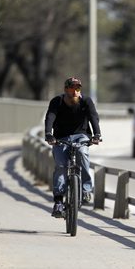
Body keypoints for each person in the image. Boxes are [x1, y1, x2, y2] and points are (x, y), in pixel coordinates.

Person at [44, 77, 101, 218]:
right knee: (61, 166)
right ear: (66, 89)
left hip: (81, 136)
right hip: (61, 138)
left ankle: (86, 189)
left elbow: (93, 117)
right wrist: (48, 134)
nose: (75, 91)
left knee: (82, 153)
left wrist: (97, 134)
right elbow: (50, 117)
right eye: (72, 88)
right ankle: (58, 202)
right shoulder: (57, 102)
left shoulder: (85, 101)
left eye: (78, 88)